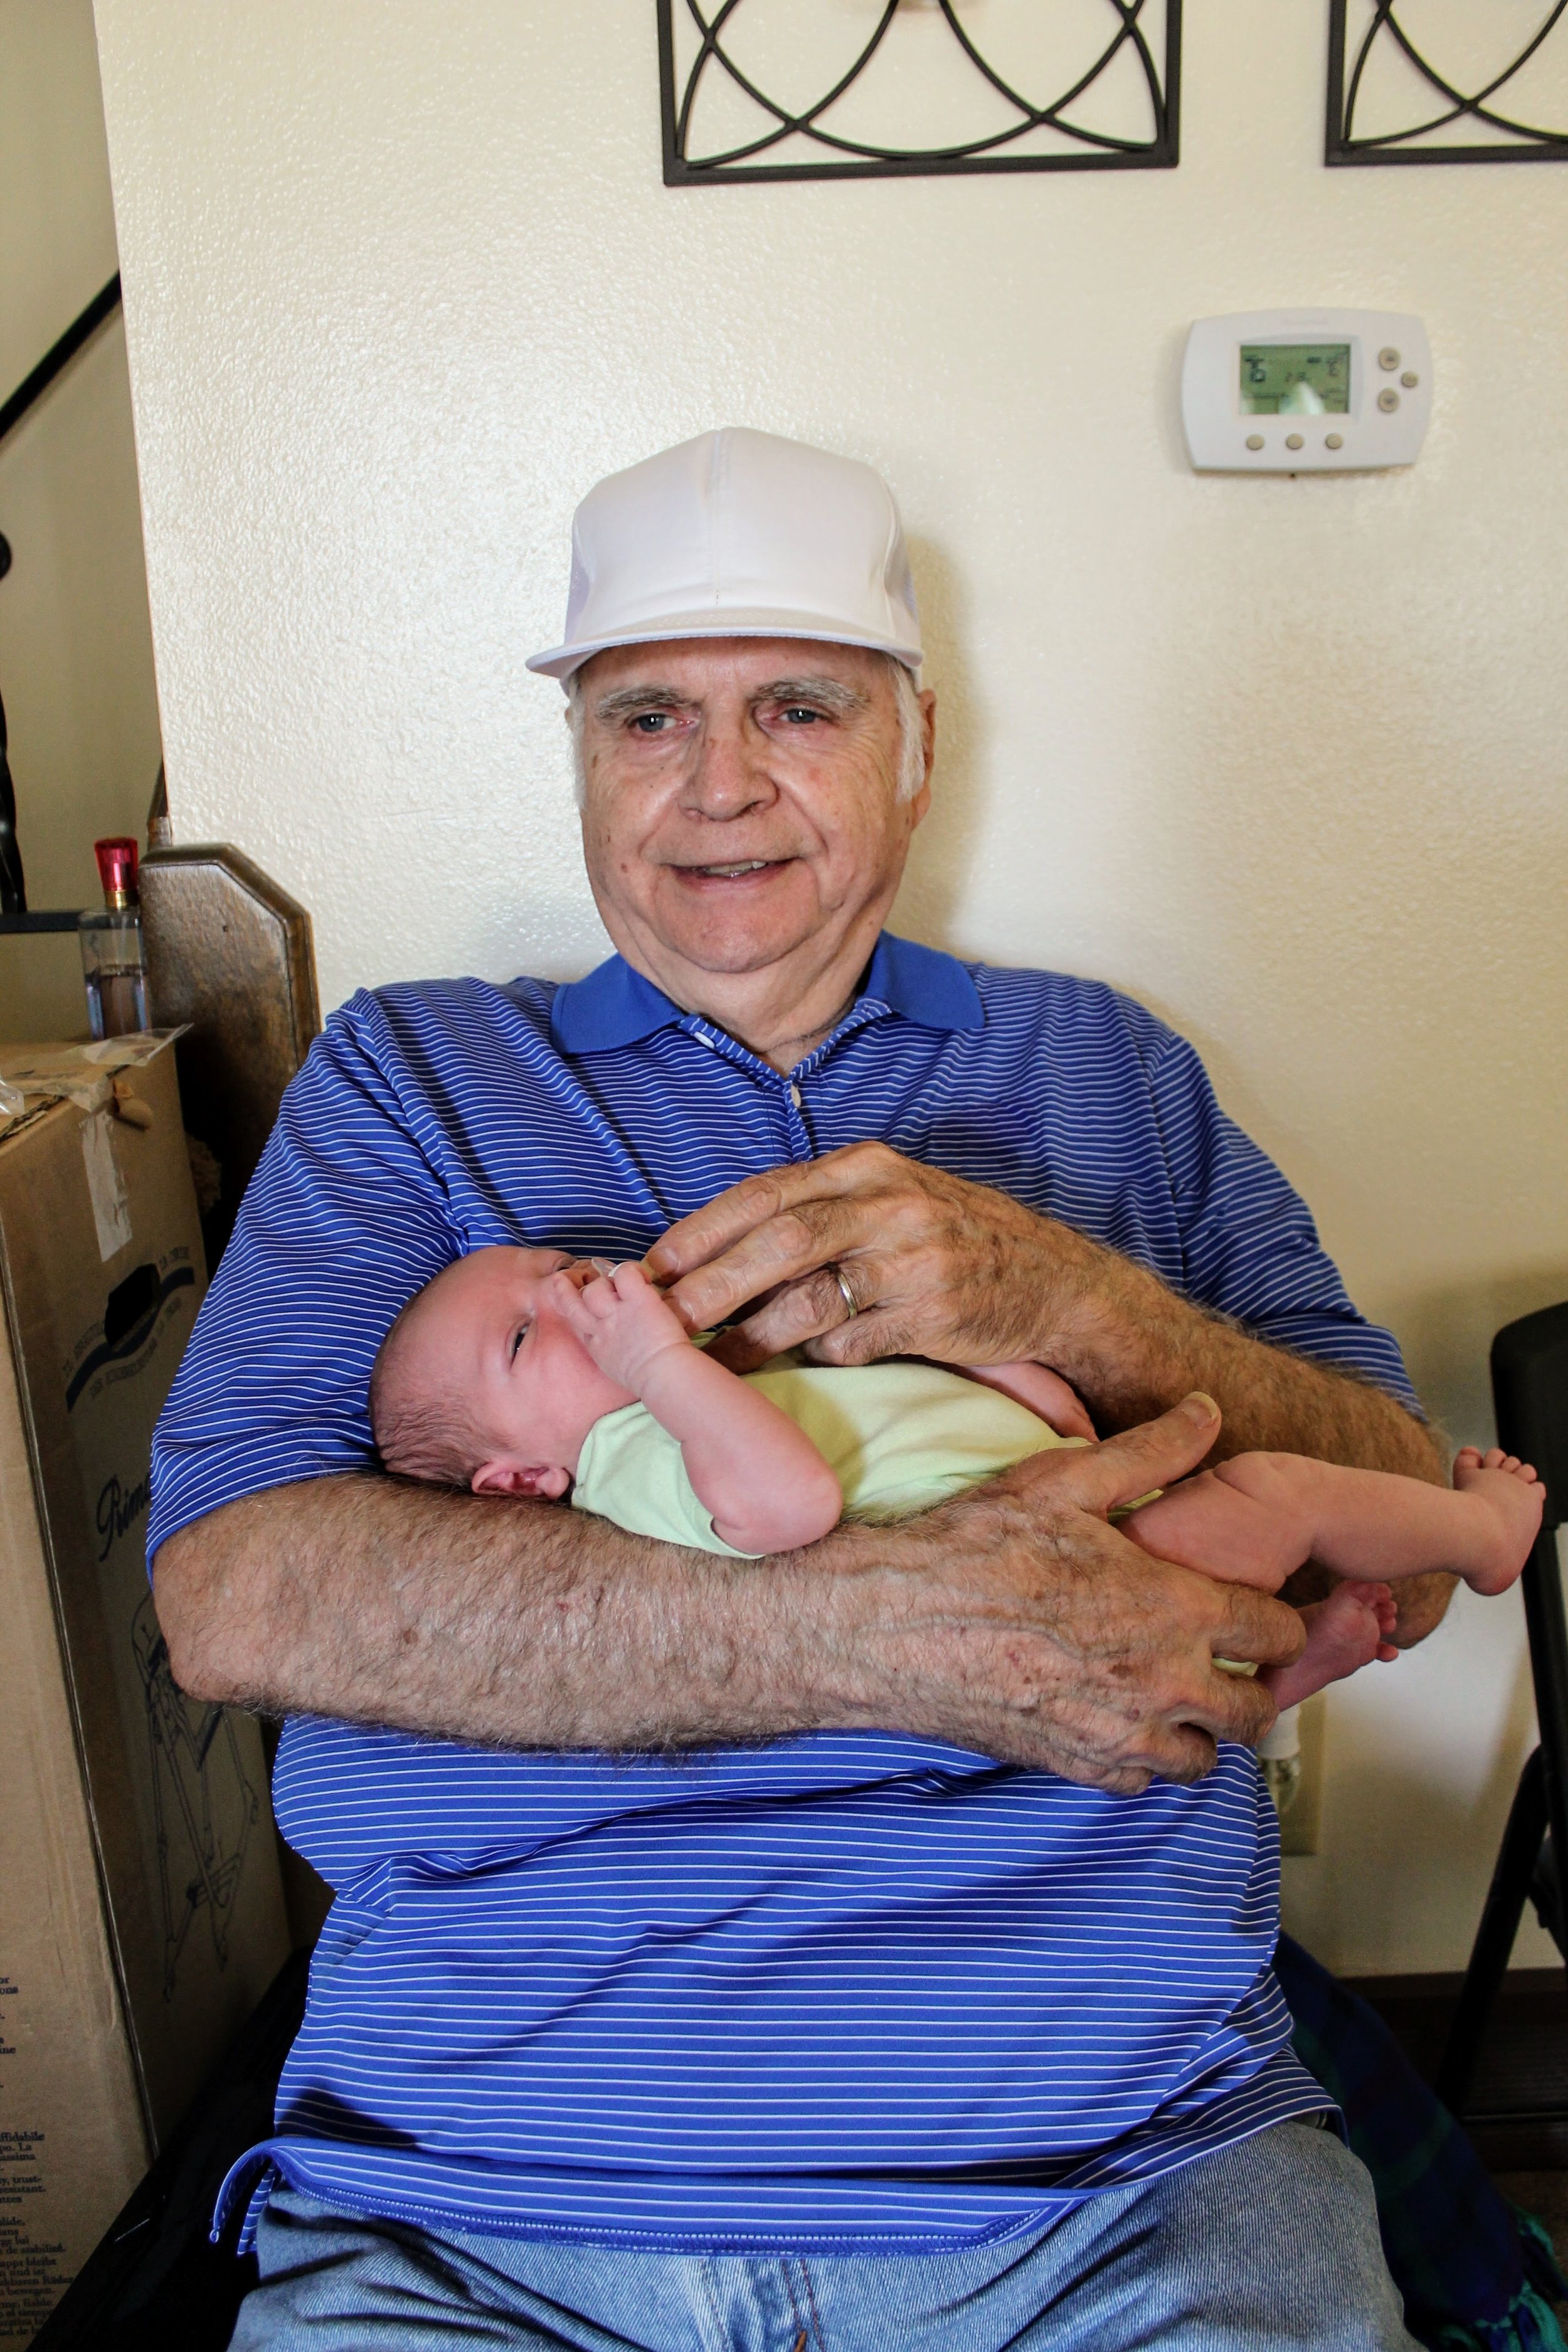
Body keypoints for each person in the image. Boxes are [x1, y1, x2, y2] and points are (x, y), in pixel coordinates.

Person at [151, 427, 1461, 2349]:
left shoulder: (1105, 1071)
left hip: (1109, 2185)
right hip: (487, 2199)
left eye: (797, 705)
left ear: (915, 746)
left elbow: (1401, 1506)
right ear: (581, 764)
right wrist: (860, 1633)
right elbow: (232, 1589)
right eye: (645, 716)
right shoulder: (409, 1085)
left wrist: (1080, 1298)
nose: (719, 784)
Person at [369, 1244, 1542, 1712]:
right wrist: (656, 1360)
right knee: (1280, 1491)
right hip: (1102, 1561)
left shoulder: (702, 1395)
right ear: (522, 1482)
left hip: (1090, 1509)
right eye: (525, 1338)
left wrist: (1016, 1381)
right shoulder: (634, 1461)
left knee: (1165, 1674)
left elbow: (886, 1421)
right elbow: (791, 1507)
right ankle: (1482, 1536)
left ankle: (1313, 1655)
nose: (567, 1299)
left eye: (554, 1271)